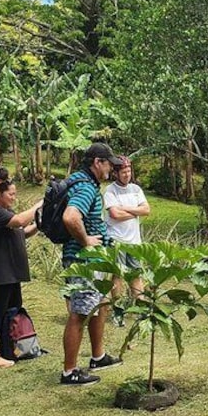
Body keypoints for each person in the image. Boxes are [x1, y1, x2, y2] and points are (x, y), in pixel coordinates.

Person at [60, 142, 123, 386]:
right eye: (109, 165)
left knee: (100, 305)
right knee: (80, 313)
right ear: (98, 162)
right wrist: (86, 241)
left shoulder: (80, 182)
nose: (111, 171)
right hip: (82, 260)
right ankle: (69, 372)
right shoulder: (85, 187)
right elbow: (70, 217)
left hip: (91, 259)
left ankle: (98, 356)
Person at [0, 167, 42, 368]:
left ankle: (8, 346)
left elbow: (21, 232)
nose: (14, 198)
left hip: (11, 271)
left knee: (12, 310)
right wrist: (40, 204)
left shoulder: (4, 212)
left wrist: (41, 224)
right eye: (11, 194)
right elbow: (20, 221)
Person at [103, 155, 150, 326]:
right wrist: (135, 211)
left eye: (129, 171)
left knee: (136, 275)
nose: (127, 174)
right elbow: (114, 214)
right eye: (123, 172)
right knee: (117, 275)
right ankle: (118, 310)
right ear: (116, 173)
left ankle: (141, 309)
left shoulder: (136, 189)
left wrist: (126, 209)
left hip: (134, 241)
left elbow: (146, 210)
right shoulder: (110, 191)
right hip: (117, 240)